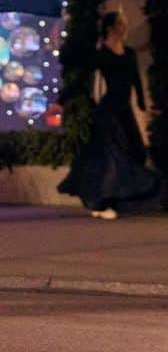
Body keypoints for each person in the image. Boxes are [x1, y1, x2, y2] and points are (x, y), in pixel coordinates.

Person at [57, 11, 158, 220]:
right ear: (111, 28)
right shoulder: (101, 54)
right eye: (121, 24)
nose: (125, 27)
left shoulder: (130, 54)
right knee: (112, 155)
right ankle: (101, 203)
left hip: (124, 111)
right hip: (107, 112)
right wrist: (60, 102)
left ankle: (111, 199)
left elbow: (135, 81)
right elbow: (81, 79)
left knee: (137, 152)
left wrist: (142, 105)